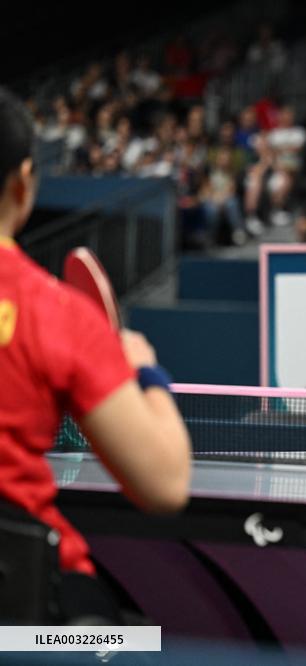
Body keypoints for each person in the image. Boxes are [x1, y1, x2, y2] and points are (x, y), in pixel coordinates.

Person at [0, 87, 191, 621]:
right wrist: (143, 369)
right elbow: (165, 484)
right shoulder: (53, 313)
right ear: (22, 184)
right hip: (25, 610)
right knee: (130, 643)